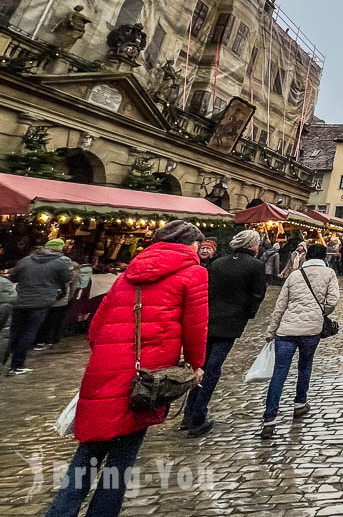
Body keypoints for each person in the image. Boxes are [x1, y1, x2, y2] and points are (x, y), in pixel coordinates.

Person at [45, 221, 208, 517]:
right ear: (189, 245)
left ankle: (60, 512)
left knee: (90, 450)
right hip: (146, 377)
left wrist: (109, 357)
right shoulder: (193, 273)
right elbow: (195, 328)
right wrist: (197, 365)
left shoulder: (131, 271)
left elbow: (95, 328)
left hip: (105, 371)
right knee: (123, 455)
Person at [182, 229, 267, 437]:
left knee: (201, 366)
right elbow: (257, 295)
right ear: (253, 245)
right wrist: (248, 315)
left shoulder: (218, 263)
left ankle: (187, 415)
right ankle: (197, 418)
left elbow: (208, 289)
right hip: (230, 324)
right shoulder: (256, 265)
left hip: (209, 319)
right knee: (212, 369)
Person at [261, 242, 340, 438]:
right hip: (311, 329)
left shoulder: (295, 275)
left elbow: (280, 306)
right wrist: (320, 313)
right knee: (305, 366)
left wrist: (271, 331)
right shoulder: (329, 274)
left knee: (279, 372)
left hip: (286, 329)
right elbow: (333, 300)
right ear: (324, 257)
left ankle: (269, 420)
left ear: (306, 256)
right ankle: (300, 403)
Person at [6, 237, 74, 376]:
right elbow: (67, 278)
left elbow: (13, 277)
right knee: (29, 332)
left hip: (20, 300)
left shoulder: (26, 259)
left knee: (13, 332)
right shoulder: (63, 261)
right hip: (42, 301)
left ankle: (5, 361)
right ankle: (17, 365)